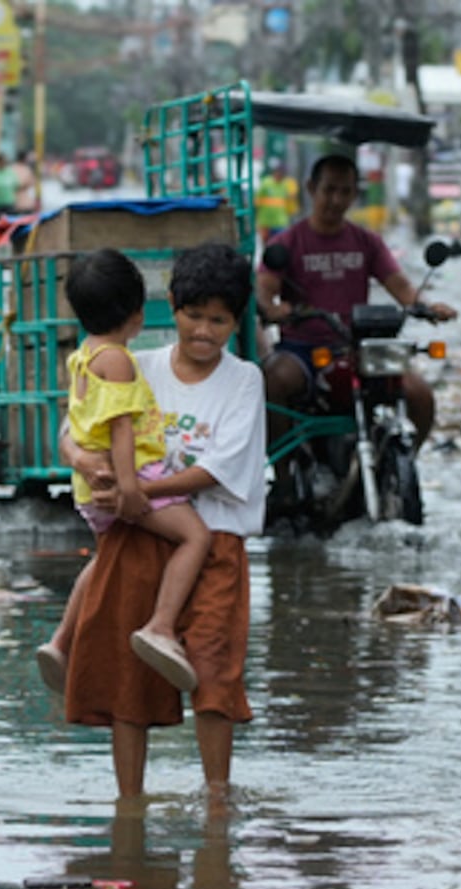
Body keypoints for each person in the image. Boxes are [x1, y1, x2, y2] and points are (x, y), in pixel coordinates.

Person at [60, 242, 265, 801]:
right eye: (193, 316)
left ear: (236, 321)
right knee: (131, 681)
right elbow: (76, 429)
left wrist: (137, 490)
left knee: (213, 668)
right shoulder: (133, 362)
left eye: (218, 320)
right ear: (170, 307)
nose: (203, 331)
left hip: (214, 537)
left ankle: (217, 798)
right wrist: (87, 466)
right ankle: (131, 802)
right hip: (139, 535)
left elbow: (215, 470)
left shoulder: (244, 380)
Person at [37, 248, 211, 695]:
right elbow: (121, 431)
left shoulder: (83, 356)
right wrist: (134, 492)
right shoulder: (118, 360)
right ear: (136, 312)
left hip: (88, 487)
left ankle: (61, 642)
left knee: (103, 559)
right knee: (195, 537)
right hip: (127, 479)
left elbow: (79, 423)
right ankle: (161, 625)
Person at [257, 153, 457, 511]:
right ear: (311, 190)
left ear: (354, 195)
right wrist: (274, 309)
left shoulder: (367, 241)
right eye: (328, 190)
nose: (336, 200)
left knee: (420, 395)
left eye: (345, 192)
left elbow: (399, 285)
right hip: (304, 349)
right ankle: (284, 479)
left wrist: (426, 307)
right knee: (272, 380)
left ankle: (400, 464)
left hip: (356, 349)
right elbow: (264, 287)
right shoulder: (289, 242)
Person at [254, 156, 298, 244]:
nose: (281, 175)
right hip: (266, 222)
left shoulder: (286, 184)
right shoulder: (266, 183)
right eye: (280, 172)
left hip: (281, 222)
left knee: (281, 244)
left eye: (283, 173)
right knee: (267, 245)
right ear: (275, 172)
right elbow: (256, 201)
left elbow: (292, 199)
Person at [11, 149, 37, 214]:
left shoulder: (11, 168)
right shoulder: (27, 169)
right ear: (25, 159)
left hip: (13, 201)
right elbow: (31, 182)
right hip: (24, 203)